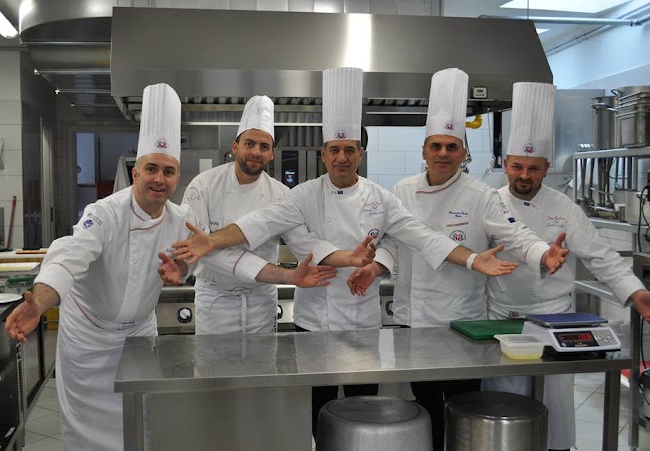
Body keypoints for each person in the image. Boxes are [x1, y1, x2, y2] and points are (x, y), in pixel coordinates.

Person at [171, 67, 521, 435]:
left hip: (362, 325)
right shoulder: (302, 194)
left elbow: (417, 235)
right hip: (314, 322)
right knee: (318, 413)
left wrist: (469, 257)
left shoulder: (380, 198)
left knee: (362, 412)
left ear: (360, 154)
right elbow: (261, 223)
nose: (341, 157)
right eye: (334, 149)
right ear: (323, 154)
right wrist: (210, 241)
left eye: (349, 150)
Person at [3, 83, 333, 451]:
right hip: (90, 339)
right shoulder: (105, 213)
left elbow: (193, 257)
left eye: (168, 172)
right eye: (151, 169)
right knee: (88, 433)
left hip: (143, 332)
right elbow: (69, 258)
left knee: (144, 420)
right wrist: (43, 300)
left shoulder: (181, 217)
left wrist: (183, 271)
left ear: (176, 178)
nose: (159, 179)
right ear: (135, 173)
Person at [346, 68, 569, 451]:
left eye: (452, 147)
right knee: (426, 406)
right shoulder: (401, 190)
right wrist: (376, 267)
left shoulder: (482, 196)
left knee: (463, 407)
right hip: (412, 321)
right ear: (424, 151)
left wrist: (540, 252)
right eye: (437, 146)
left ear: (463, 153)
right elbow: (396, 243)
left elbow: (515, 233)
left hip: (461, 323)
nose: (444, 154)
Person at [481, 81, 650, 451]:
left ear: (544, 168)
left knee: (555, 410)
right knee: (504, 408)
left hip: (555, 319)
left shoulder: (564, 207)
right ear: (506, 165)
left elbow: (600, 254)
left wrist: (636, 293)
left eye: (534, 168)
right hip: (502, 318)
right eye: (517, 167)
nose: (524, 176)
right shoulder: (489, 202)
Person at [182, 95, 337, 334]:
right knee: (213, 369)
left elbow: (303, 243)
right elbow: (200, 249)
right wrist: (286, 275)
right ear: (235, 146)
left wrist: (348, 258)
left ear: (272, 153)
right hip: (215, 302)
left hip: (261, 302)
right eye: (250, 144)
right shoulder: (202, 186)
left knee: (263, 368)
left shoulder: (281, 194)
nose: (256, 152)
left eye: (264, 147)